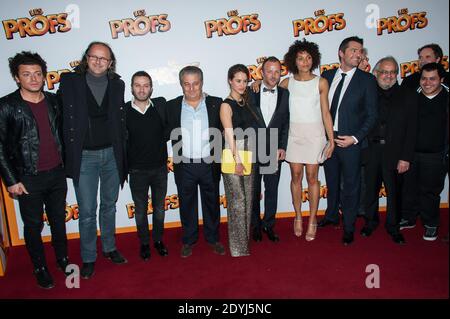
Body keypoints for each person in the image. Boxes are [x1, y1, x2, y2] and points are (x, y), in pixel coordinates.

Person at [0, 51, 70, 289]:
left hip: (57, 173)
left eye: (37, 74)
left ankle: (62, 259)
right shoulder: (6, 106)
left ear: (44, 76)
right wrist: (11, 179)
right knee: (33, 226)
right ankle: (40, 267)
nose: (33, 79)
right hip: (27, 178)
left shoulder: (53, 101)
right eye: (26, 74)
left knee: (59, 220)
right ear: (17, 78)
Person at [58, 41, 127, 279]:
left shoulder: (118, 85)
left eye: (104, 58)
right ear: (86, 58)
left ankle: (109, 248)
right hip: (84, 157)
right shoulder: (69, 82)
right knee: (87, 211)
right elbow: (60, 119)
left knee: (109, 206)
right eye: (94, 57)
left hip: (111, 155)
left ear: (110, 63)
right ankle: (88, 257)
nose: (98, 62)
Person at [318, 36, 378, 245]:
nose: (357, 54)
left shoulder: (367, 80)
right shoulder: (326, 76)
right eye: (353, 50)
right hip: (328, 140)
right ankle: (332, 215)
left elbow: (372, 115)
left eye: (360, 51)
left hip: (350, 143)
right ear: (341, 53)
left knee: (351, 186)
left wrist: (355, 138)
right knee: (332, 182)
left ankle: (349, 226)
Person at [165, 66, 225, 258]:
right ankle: (188, 240)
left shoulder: (216, 103)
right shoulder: (171, 106)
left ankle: (213, 238)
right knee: (187, 204)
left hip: (210, 163)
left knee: (212, 203)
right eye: (187, 84)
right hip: (185, 165)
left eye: (195, 84)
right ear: (181, 85)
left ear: (202, 83)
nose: (191, 88)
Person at [279, 40, 335, 241]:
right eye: (300, 58)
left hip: (315, 135)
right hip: (294, 135)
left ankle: (312, 220)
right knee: (295, 176)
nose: (305, 62)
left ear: (314, 59)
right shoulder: (286, 83)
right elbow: (270, 98)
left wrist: (331, 139)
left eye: (308, 58)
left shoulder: (321, 82)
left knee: (312, 177)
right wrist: (257, 83)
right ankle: (298, 217)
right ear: (294, 60)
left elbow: (326, 112)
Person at [361, 56, 418, 244]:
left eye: (393, 72)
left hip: (395, 153)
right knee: (370, 190)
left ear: (397, 74)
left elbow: (412, 130)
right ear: (376, 73)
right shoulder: (367, 92)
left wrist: (406, 158)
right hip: (371, 150)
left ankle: (393, 227)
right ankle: (370, 222)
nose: (388, 76)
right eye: (384, 72)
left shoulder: (408, 95)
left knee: (395, 193)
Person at [399, 63, 448, 241]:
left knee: (430, 192)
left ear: (441, 80)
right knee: (408, 189)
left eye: (432, 79)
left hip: (436, 155)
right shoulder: (412, 97)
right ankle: (409, 218)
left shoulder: (447, 98)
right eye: (424, 78)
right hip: (411, 154)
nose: (427, 83)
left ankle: (430, 224)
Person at [125, 71, 168, 260]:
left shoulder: (160, 106)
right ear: (132, 87)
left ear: (151, 88)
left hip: (159, 169)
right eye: (137, 85)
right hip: (137, 171)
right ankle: (144, 243)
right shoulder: (123, 111)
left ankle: (158, 240)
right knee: (141, 210)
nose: (142, 89)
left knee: (159, 208)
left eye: (146, 85)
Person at [220, 64, 262, 256]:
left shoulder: (246, 102)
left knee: (248, 199)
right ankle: (237, 248)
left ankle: (243, 244)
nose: (242, 84)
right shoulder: (225, 105)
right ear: (230, 80)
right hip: (233, 151)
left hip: (249, 151)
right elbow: (229, 134)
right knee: (237, 200)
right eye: (238, 80)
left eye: (245, 81)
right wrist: (237, 160)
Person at [248, 57, 289, 243]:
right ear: (262, 73)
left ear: (281, 73)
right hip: (253, 149)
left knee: (272, 190)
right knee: (254, 190)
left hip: (274, 150)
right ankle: (255, 226)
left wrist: (282, 146)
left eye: (277, 71)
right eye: (269, 71)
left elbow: (286, 123)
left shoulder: (285, 94)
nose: (273, 75)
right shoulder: (250, 92)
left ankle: (269, 225)